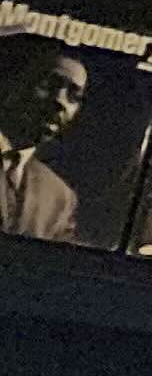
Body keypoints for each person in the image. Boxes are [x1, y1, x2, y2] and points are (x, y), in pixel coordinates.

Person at [0, 45, 90, 242]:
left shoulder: (60, 197)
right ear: (15, 83)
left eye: (74, 96)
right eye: (49, 84)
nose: (60, 101)